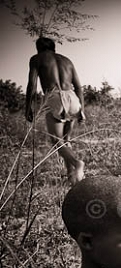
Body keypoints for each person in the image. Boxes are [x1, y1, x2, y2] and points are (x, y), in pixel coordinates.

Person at [25, 37, 86, 185]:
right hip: (72, 97)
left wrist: (28, 107)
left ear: (38, 48)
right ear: (53, 47)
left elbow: (32, 84)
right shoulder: (66, 60)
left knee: (56, 141)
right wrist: (81, 109)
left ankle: (77, 163)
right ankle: (72, 177)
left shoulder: (36, 58)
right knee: (66, 140)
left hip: (54, 97)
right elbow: (78, 86)